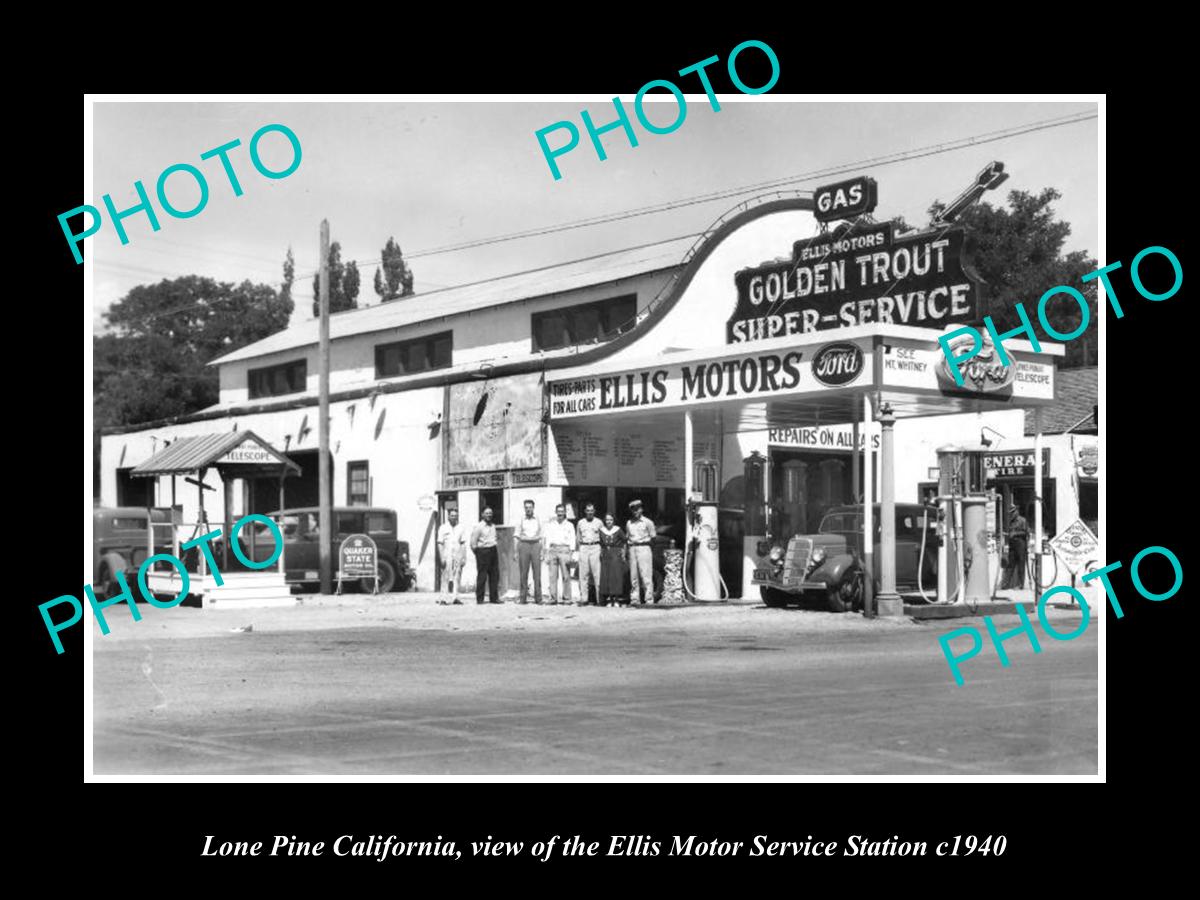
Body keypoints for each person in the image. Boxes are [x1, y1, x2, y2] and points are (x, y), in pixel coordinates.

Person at [544, 503, 577, 605]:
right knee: (552, 576)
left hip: (564, 550)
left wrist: (571, 552)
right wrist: (547, 552)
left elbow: (572, 539)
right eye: (558, 512)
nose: (560, 513)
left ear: (565, 513)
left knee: (566, 576)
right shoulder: (551, 524)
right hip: (553, 549)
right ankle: (553, 598)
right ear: (556, 512)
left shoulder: (570, 525)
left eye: (562, 512)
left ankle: (567, 598)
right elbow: (547, 538)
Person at [625, 499, 656, 605]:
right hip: (632, 548)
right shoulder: (629, 523)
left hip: (644, 547)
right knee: (633, 575)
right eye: (633, 510)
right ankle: (635, 599)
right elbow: (627, 537)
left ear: (641, 509)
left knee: (646, 574)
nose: (635, 512)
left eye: (637, 509)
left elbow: (653, 537)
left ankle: (649, 599)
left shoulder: (648, 522)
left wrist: (648, 548)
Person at [514, 499, 544, 605]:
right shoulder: (521, 519)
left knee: (537, 574)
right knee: (523, 573)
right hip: (524, 545)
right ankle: (522, 598)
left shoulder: (538, 519)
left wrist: (542, 551)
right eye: (526, 507)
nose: (528, 509)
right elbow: (516, 536)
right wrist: (516, 552)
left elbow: (542, 536)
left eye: (530, 507)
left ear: (533, 508)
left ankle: (538, 598)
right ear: (524, 508)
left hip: (536, 545)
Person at [470, 507, 502, 604]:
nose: (489, 515)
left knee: (494, 575)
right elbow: (473, 543)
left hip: (493, 550)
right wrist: (478, 553)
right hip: (482, 551)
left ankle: (494, 598)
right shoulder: (479, 527)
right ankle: (480, 599)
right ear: (482, 515)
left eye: (490, 513)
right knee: (482, 576)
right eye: (487, 513)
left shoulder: (493, 526)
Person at [436, 508, 467, 604]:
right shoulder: (443, 528)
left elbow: (463, 543)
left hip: (457, 553)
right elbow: (440, 543)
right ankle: (444, 598)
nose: (454, 517)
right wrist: (441, 557)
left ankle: (455, 598)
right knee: (445, 576)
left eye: (456, 516)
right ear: (448, 516)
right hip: (446, 554)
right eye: (452, 515)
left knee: (457, 576)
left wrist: (463, 557)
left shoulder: (461, 528)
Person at [576, 503, 603, 605]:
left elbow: (603, 536)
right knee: (583, 574)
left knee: (597, 574)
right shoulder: (580, 523)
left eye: (591, 510)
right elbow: (578, 537)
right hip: (584, 547)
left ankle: (599, 599)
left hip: (595, 547)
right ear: (585, 511)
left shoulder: (599, 522)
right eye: (588, 510)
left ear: (594, 511)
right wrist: (577, 550)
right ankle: (584, 598)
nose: (590, 512)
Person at [598, 512, 627, 606]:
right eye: (607, 520)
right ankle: (609, 599)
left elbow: (625, 541)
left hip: (616, 554)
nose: (608, 522)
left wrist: (623, 553)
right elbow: (600, 543)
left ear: (613, 520)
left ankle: (617, 599)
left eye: (610, 520)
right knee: (607, 577)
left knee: (616, 576)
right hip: (606, 554)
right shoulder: (602, 530)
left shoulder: (618, 530)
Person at [1005, 503, 1029, 590]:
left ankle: (1020, 585)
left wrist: (1015, 534)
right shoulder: (1011, 522)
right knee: (1010, 565)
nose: (1011, 514)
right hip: (1012, 544)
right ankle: (1006, 584)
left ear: (1016, 511)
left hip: (1021, 544)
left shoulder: (1022, 521)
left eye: (1013, 512)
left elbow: (1026, 533)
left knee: (1021, 565)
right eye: (1010, 513)